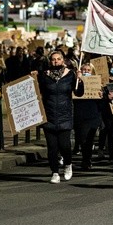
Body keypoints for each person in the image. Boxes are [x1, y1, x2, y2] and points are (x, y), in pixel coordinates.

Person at [37, 50, 84, 183]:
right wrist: (33, 78)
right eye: (53, 59)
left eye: (58, 59)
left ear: (63, 60)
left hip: (65, 115)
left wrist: (79, 81)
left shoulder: (70, 75)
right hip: (49, 115)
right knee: (52, 147)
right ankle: (55, 172)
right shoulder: (44, 75)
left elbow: (79, 93)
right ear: (50, 61)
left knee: (64, 145)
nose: (56, 61)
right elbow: (37, 90)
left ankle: (68, 164)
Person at [73, 62, 104, 171]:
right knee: (82, 138)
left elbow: (101, 105)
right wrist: (78, 81)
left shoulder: (98, 86)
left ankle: (87, 159)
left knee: (89, 139)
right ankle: (85, 158)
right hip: (80, 115)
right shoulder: (76, 84)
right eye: (84, 70)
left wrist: (101, 97)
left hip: (93, 115)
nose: (86, 72)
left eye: (88, 70)